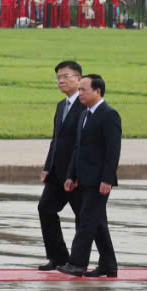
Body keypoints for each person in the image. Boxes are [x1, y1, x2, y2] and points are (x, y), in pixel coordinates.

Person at [61, 74, 120, 277]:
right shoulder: (84, 115)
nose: (80, 94)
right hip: (84, 178)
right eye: (79, 90)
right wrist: (71, 175)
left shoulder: (109, 114)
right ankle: (109, 265)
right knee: (97, 224)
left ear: (98, 91)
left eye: (84, 90)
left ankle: (77, 264)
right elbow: (78, 149)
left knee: (86, 221)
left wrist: (107, 179)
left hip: (99, 181)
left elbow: (113, 151)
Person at [37, 60, 85, 272]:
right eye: (58, 77)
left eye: (66, 76)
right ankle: (57, 257)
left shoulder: (86, 105)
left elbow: (81, 144)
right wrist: (48, 166)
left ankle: (77, 261)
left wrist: (75, 174)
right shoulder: (61, 105)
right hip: (57, 172)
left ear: (79, 79)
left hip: (75, 174)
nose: (61, 81)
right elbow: (55, 140)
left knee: (83, 217)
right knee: (45, 209)